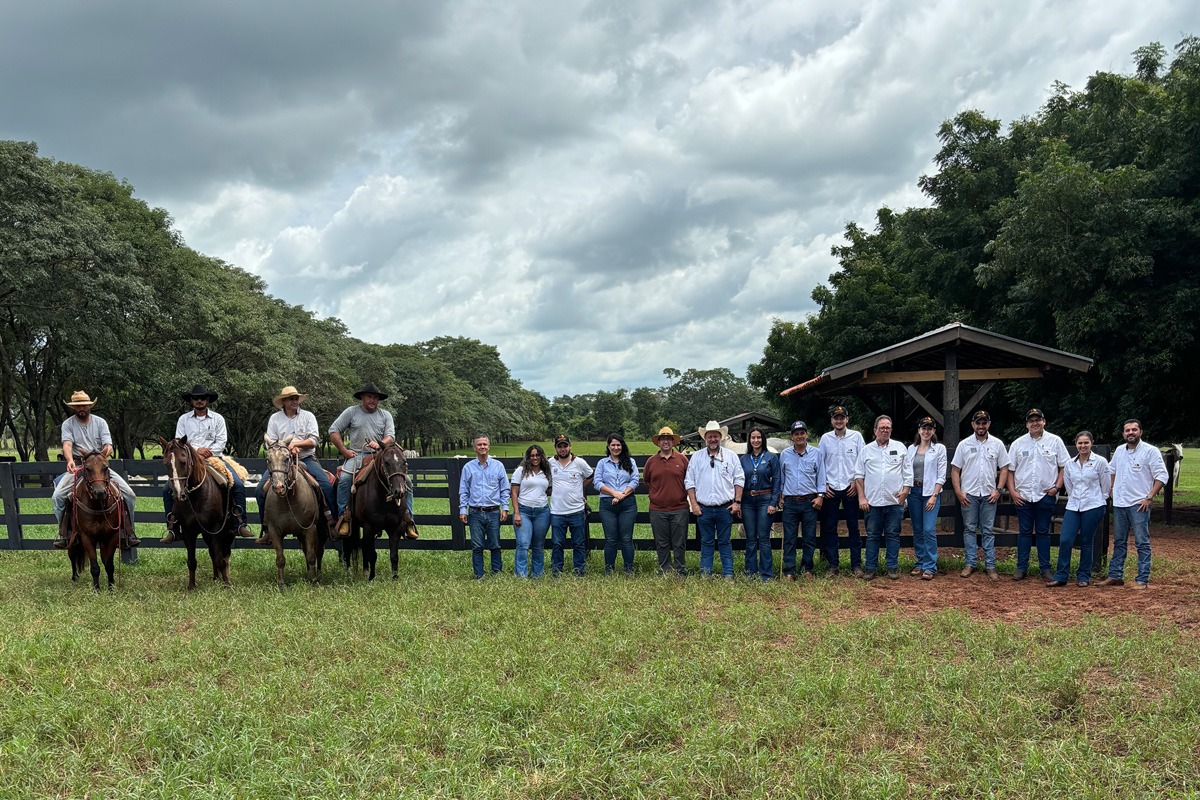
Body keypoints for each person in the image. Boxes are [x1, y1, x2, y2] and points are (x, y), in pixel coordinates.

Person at [162, 384, 253, 543]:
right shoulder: (183, 419)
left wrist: (208, 451)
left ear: (207, 400)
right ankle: (173, 528)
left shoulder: (218, 419)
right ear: (191, 401)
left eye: (202, 398)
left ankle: (239, 522)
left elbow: (222, 441)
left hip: (214, 458)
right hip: (189, 459)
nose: (199, 401)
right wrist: (197, 451)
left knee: (236, 484)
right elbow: (178, 442)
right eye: (196, 398)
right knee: (167, 489)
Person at [51, 391, 140, 550]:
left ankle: (128, 532)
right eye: (78, 406)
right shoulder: (68, 424)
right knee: (57, 496)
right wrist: (70, 460)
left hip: (100, 465)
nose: (81, 408)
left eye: (84, 405)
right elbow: (67, 444)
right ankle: (63, 534)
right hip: (80, 465)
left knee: (129, 494)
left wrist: (106, 451)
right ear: (74, 408)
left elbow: (108, 445)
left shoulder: (100, 423)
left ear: (90, 405)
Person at [254, 386, 336, 545]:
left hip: (306, 458)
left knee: (325, 485)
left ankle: (332, 522)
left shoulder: (308, 416)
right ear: (283, 401)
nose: (295, 401)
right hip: (281, 461)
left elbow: (313, 440)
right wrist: (285, 449)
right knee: (259, 490)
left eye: (296, 398)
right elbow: (270, 443)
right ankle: (267, 528)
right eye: (291, 398)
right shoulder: (275, 419)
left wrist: (297, 445)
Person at [1100, 419, 1169, 589]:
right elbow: (1112, 470)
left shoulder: (1150, 451)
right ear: (1123, 434)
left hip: (1139, 504)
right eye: (1127, 430)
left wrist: (1150, 497)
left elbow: (1162, 475)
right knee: (1119, 541)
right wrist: (1111, 489)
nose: (1130, 433)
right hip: (1120, 503)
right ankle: (1115, 575)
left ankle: (1142, 579)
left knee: (1142, 542)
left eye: (1134, 430)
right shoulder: (1119, 451)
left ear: (1140, 432)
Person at [328, 383, 402, 538]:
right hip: (358, 454)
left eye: (375, 398)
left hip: (382, 454)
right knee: (345, 479)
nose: (372, 400)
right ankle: (344, 517)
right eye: (369, 397)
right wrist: (344, 451)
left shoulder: (385, 415)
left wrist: (380, 443)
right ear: (362, 397)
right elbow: (333, 430)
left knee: (405, 481)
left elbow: (391, 437)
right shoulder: (352, 412)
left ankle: (407, 518)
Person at [1007, 408, 1070, 581]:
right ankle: (1021, 568)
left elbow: (1064, 466)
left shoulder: (1055, 441)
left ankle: (1045, 569)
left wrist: (1056, 488)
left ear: (1044, 421)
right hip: (1023, 496)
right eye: (1031, 421)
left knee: (1043, 532)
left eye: (1038, 420)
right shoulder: (1018, 444)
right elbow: (1010, 470)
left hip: (1045, 495)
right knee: (1024, 532)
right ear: (1027, 424)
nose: (1035, 423)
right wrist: (1012, 492)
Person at [950, 410, 1011, 580]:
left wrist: (998, 490)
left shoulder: (997, 444)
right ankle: (970, 563)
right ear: (973, 425)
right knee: (969, 529)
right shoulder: (964, 445)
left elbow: (1004, 468)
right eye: (978, 423)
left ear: (988, 424)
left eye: (984, 423)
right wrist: (958, 492)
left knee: (988, 530)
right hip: (969, 494)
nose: (981, 426)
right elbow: (955, 469)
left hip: (989, 494)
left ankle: (990, 565)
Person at [1048, 431, 1110, 587]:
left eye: (1086, 443)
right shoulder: (1070, 464)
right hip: (1074, 505)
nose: (1083, 446)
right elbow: (1069, 486)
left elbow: (1106, 485)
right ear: (1076, 444)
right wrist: (1075, 498)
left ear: (1091, 443)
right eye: (1080, 443)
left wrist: (1100, 500)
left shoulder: (1100, 462)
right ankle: (1061, 575)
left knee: (1086, 541)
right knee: (1066, 540)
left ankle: (1083, 576)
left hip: (1093, 505)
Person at [854, 415, 912, 580]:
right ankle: (870, 568)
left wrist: (906, 491)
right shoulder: (866, 450)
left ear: (891, 430)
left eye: (888, 427)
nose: (885, 430)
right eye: (882, 428)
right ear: (875, 431)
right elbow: (858, 476)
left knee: (893, 535)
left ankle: (892, 568)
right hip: (872, 502)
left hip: (894, 501)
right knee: (872, 535)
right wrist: (862, 498)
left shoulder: (900, 447)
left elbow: (908, 473)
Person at [685, 420, 745, 579]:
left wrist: (737, 502)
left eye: (716, 436)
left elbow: (739, 479)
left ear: (721, 438)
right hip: (703, 508)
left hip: (725, 507)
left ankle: (728, 574)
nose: (713, 439)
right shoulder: (697, 457)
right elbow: (689, 481)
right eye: (710, 436)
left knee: (725, 542)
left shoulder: (731, 456)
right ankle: (705, 574)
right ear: (705, 438)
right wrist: (694, 504)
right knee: (706, 542)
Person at [819, 406, 866, 576]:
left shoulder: (856, 437)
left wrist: (856, 481)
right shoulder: (825, 439)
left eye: (842, 418)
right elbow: (820, 463)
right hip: (831, 488)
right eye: (836, 418)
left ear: (847, 419)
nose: (839, 421)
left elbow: (862, 461)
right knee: (830, 528)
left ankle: (856, 565)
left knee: (853, 527)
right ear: (832, 420)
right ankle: (833, 565)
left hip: (850, 488)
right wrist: (823, 485)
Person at [458, 434, 509, 579]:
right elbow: (464, 490)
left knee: (495, 545)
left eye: (485, 444)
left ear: (489, 446)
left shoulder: (498, 466)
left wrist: (505, 507)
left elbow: (505, 489)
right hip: (475, 512)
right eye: (479, 444)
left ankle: (497, 573)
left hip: (493, 511)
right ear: (475, 448)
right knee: (477, 546)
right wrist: (463, 509)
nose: (482, 447)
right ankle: (479, 575)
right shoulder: (468, 467)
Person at [778, 420, 825, 579]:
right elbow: (782, 478)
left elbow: (821, 476)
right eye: (796, 434)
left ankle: (807, 569)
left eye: (802, 433)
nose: (800, 436)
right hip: (790, 501)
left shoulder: (816, 453)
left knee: (809, 537)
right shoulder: (784, 454)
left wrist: (820, 496)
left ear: (806, 434)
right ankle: (789, 570)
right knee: (790, 538)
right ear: (792, 437)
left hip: (809, 501)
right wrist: (780, 496)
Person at [642, 426, 689, 576]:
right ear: (659, 442)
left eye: (669, 439)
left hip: (680, 507)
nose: (666, 442)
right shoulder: (651, 461)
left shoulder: (682, 459)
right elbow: (647, 481)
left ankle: (680, 570)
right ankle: (664, 569)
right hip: (658, 508)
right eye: (663, 439)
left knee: (679, 542)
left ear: (673, 442)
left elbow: (689, 480)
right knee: (661, 543)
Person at [906, 417, 947, 580]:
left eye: (930, 429)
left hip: (931, 492)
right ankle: (920, 562)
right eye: (923, 428)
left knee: (929, 529)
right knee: (917, 529)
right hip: (914, 492)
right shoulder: (911, 449)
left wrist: (934, 495)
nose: (926, 431)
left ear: (934, 431)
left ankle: (930, 565)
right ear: (919, 430)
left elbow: (942, 474)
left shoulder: (939, 449)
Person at [595, 433, 640, 575]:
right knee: (610, 539)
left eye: (618, 445)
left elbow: (635, 480)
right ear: (608, 447)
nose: (615, 448)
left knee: (626, 538)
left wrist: (621, 496)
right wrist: (615, 494)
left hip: (627, 504)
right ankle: (609, 569)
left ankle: (628, 569)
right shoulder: (602, 463)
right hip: (607, 504)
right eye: (613, 445)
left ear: (622, 446)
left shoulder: (630, 462)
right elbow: (597, 482)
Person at [739, 427, 780, 582]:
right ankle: (751, 572)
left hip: (765, 498)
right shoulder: (743, 459)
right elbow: (738, 481)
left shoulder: (771, 458)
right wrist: (739, 502)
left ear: (763, 439)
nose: (756, 440)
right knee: (750, 538)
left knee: (763, 537)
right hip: (748, 500)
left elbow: (777, 481)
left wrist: (773, 502)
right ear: (749, 440)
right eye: (753, 438)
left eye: (759, 437)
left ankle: (766, 574)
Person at [549, 434, 593, 576]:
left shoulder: (579, 462)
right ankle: (557, 570)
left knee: (578, 543)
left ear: (570, 446)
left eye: (565, 446)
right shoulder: (550, 463)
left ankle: (579, 570)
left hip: (576, 510)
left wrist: (580, 487)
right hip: (557, 511)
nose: (563, 449)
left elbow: (590, 476)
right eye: (559, 446)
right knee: (557, 543)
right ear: (556, 448)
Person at [510, 445, 552, 578]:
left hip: (542, 511)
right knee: (523, 543)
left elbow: (551, 490)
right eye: (532, 455)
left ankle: (537, 574)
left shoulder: (546, 472)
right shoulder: (521, 471)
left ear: (542, 456)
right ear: (528, 457)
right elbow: (514, 492)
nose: (535, 458)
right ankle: (521, 575)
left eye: (538, 455)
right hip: (524, 510)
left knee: (538, 545)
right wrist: (516, 512)